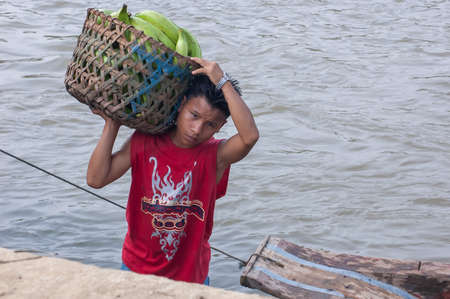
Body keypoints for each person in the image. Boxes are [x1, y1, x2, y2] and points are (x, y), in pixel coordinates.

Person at [86, 57, 259, 285]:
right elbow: (96, 179)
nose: (197, 129)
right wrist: (112, 125)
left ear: (220, 127)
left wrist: (222, 81)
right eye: (194, 115)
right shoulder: (144, 141)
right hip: (136, 269)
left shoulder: (215, 156)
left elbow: (250, 137)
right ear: (181, 105)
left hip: (190, 278)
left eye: (210, 124)